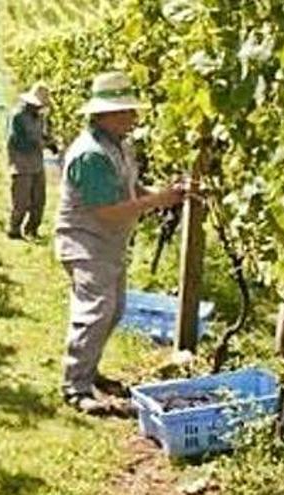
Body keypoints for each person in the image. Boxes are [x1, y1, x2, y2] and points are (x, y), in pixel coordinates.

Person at [55, 71, 185, 415]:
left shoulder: (118, 146)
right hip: (85, 242)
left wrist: (160, 195)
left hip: (106, 243)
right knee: (95, 311)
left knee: (113, 310)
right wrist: (158, 201)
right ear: (106, 114)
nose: (133, 117)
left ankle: (88, 370)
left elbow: (128, 190)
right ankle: (75, 387)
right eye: (126, 111)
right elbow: (107, 212)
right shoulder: (91, 154)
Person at [6, 82, 57, 239]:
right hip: (21, 164)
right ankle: (14, 229)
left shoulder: (39, 117)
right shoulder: (17, 116)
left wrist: (50, 142)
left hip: (37, 163)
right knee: (21, 201)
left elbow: (41, 135)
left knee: (39, 200)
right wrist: (40, 144)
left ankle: (32, 229)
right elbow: (16, 141)